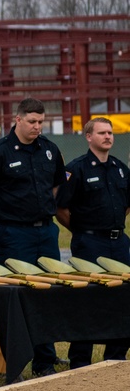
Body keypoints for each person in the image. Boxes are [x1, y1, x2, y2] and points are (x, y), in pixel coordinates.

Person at [0, 97, 66, 376]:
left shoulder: (50, 151)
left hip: (46, 233)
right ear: (17, 120)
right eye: (32, 121)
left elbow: (56, 186)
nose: (37, 127)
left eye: (41, 122)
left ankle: (44, 360)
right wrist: (5, 220)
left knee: (47, 293)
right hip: (13, 233)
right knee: (15, 294)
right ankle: (13, 361)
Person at [55, 117, 130, 369]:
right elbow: (61, 208)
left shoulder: (120, 168)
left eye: (110, 133)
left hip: (118, 243)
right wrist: (82, 231)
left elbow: (126, 204)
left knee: (123, 298)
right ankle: (80, 360)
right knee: (87, 301)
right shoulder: (76, 169)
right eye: (101, 133)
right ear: (89, 137)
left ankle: (116, 356)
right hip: (90, 244)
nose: (107, 137)